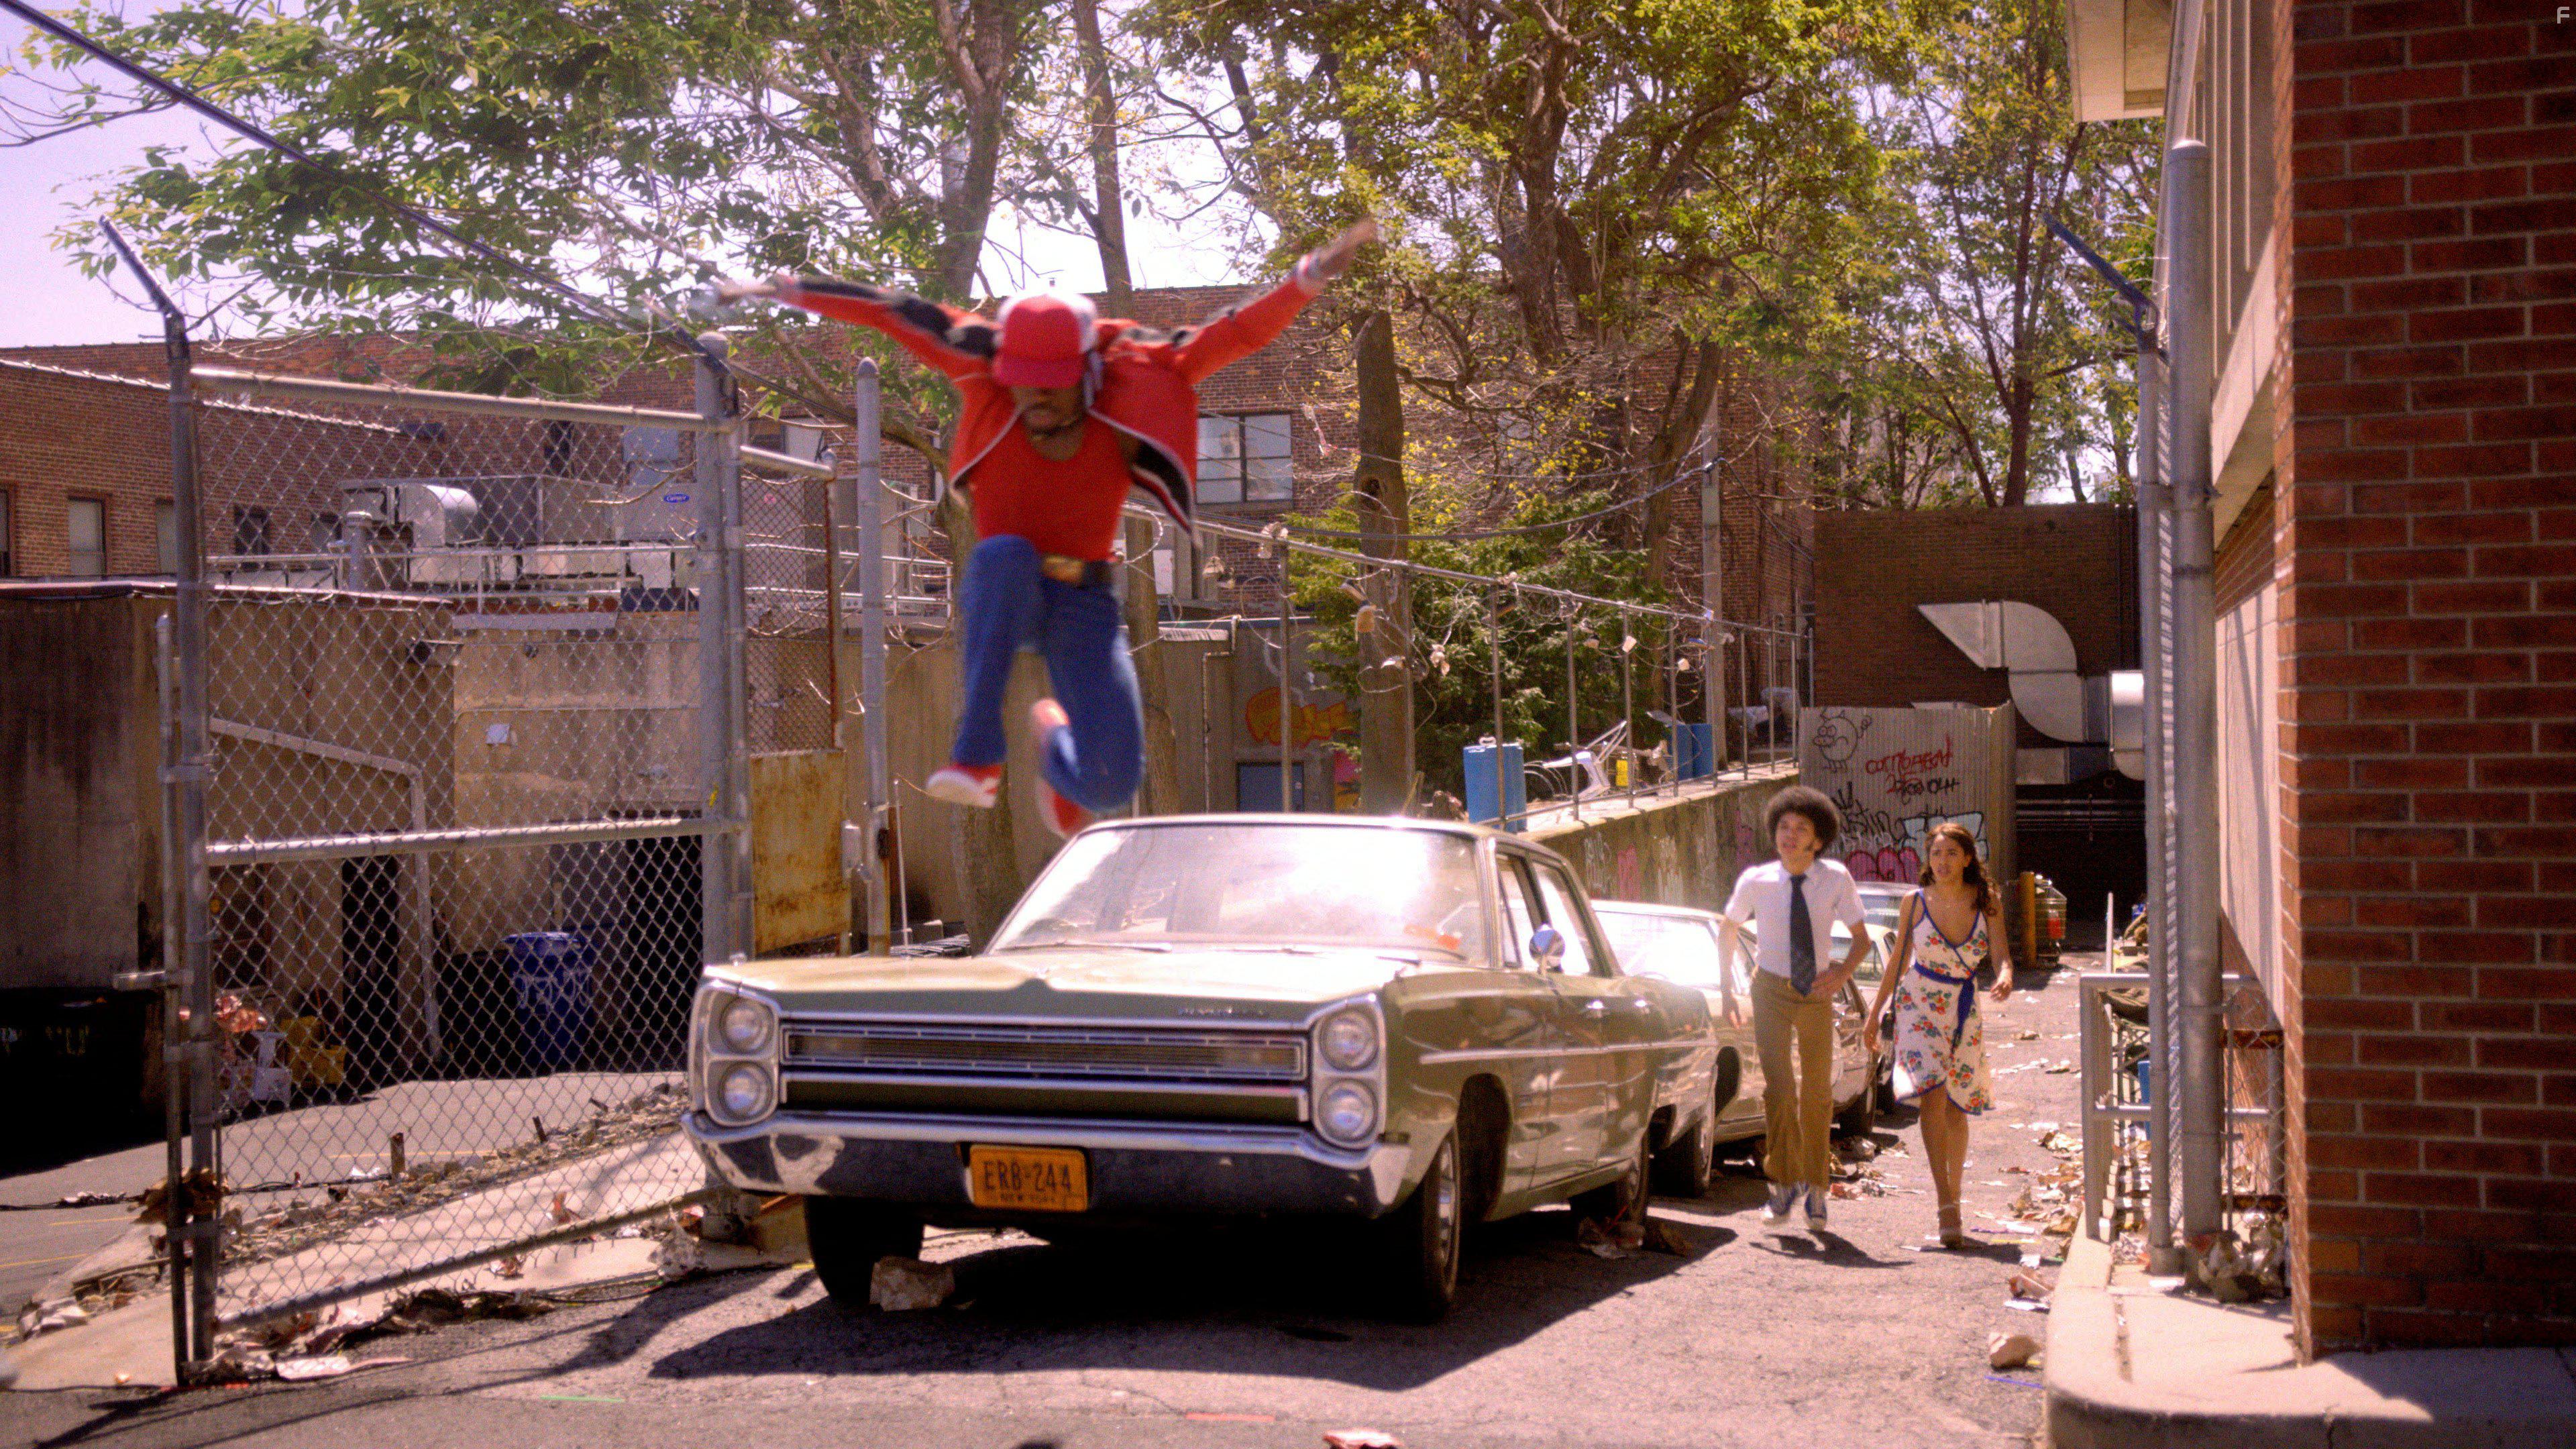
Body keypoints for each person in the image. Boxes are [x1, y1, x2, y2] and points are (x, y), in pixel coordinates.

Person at [720, 221, 1377, 835]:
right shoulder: (980, 364)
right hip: (1006, 590)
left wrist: (1307, 276)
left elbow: (1233, 335)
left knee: (1112, 784)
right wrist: (780, 289)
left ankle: (1054, 742)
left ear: (1088, 374)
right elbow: (893, 309)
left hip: (1084, 603)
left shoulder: (1140, 374)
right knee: (1005, 555)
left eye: (1053, 387)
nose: (1036, 400)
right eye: (1024, 385)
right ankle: (976, 756)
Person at [1720, 785, 1870, 1233]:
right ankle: (1783, 1184)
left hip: (1817, 995)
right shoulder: (1757, 880)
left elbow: (1862, 940)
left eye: (1801, 828)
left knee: (1818, 1094)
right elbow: (1727, 932)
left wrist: (1841, 975)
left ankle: (1817, 1191)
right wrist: (1728, 990)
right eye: (1784, 826)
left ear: (1817, 839)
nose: (1790, 835)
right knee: (1780, 1089)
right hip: (1769, 989)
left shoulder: (1836, 878)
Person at [1864, 821, 2014, 1249]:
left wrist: (2004, 976)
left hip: (1964, 1007)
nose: (1942, 862)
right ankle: (1945, 1201)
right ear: (1927, 860)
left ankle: (1956, 1186)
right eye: (1935, 854)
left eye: (1951, 854)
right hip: (1918, 1004)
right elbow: (1895, 962)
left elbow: (2002, 955)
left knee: (1956, 1105)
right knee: (1931, 1092)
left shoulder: (1988, 902)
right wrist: (1875, 1014)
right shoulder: (1914, 903)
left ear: (1967, 858)